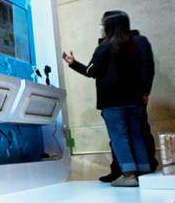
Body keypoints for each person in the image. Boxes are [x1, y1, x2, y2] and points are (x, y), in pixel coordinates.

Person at [62, 11, 150, 187]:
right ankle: (145, 176)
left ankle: (129, 176)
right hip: (135, 100)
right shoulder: (137, 44)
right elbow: (147, 68)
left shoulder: (105, 46)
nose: (100, 27)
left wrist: (73, 63)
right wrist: (145, 92)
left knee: (119, 137)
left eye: (102, 24)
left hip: (113, 102)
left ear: (109, 27)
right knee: (136, 136)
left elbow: (91, 71)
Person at [97, 11, 158, 182]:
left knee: (129, 135)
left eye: (102, 24)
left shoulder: (134, 41)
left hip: (124, 98)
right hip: (127, 98)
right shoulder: (114, 43)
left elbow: (147, 67)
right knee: (128, 135)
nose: (100, 27)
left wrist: (145, 91)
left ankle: (132, 174)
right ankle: (131, 172)